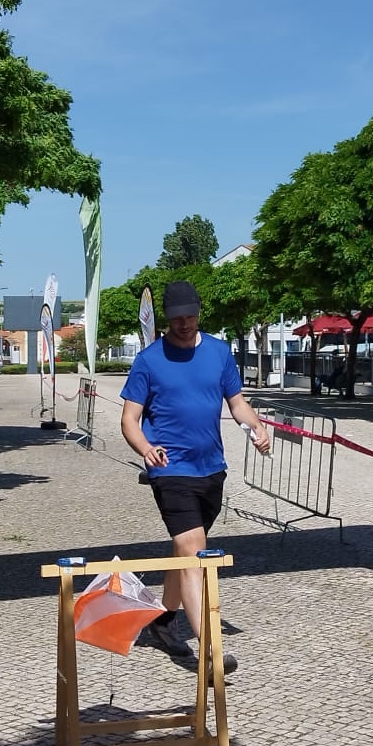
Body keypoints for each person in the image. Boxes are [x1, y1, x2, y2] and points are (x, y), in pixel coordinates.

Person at [120, 279, 271, 675]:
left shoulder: (220, 353)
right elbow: (129, 420)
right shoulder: (150, 360)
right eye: (175, 319)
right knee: (195, 555)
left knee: (183, 551)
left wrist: (257, 427)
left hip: (211, 469)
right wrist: (146, 449)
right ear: (166, 319)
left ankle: (164, 620)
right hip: (170, 470)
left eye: (189, 316)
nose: (183, 324)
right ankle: (210, 649)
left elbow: (237, 403)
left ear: (199, 313)